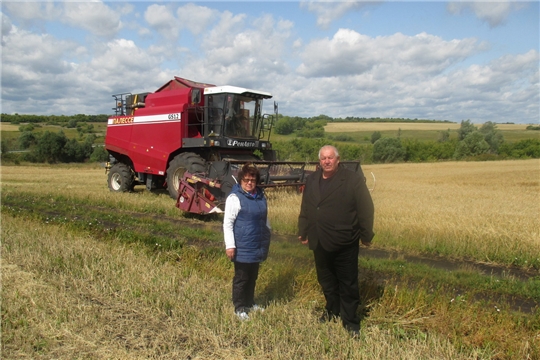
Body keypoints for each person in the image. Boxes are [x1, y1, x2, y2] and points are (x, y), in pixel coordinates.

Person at [298, 145, 374, 336]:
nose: (327, 161)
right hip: (319, 239)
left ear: (338, 160)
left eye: (330, 158)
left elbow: (366, 207)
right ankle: (332, 310)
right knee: (326, 280)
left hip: (344, 240)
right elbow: (306, 206)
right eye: (323, 158)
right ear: (319, 161)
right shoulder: (312, 179)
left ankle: (350, 322)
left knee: (348, 283)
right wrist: (303, 230)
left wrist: (366, 234)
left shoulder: (352, 180)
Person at [223, 163, 271, 320]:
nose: (249, 183)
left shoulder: (260, 196)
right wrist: (230, 246)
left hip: (257, 243)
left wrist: (268, 233)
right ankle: (240, 307)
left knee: (253, 276)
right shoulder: (235, 198)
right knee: (242, 277)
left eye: (252, 179)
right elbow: (228, 223)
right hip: (242, 245)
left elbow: (265, 218)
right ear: (240, 181)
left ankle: (250, 302)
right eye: (246, 180)